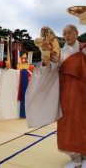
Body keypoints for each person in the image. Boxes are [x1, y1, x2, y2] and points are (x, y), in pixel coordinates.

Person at [25, 24, 86, 168]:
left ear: (77, 33)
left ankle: (85, 156)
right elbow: (50, 67)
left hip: (83, 92)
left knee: (83, 122)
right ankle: (75, 158)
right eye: (64, 33)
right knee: (67, 123)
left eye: (70, 32)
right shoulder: (60, 52)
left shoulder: (83, 48)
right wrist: (46, 53)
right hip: (66, 93)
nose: (67, 35)